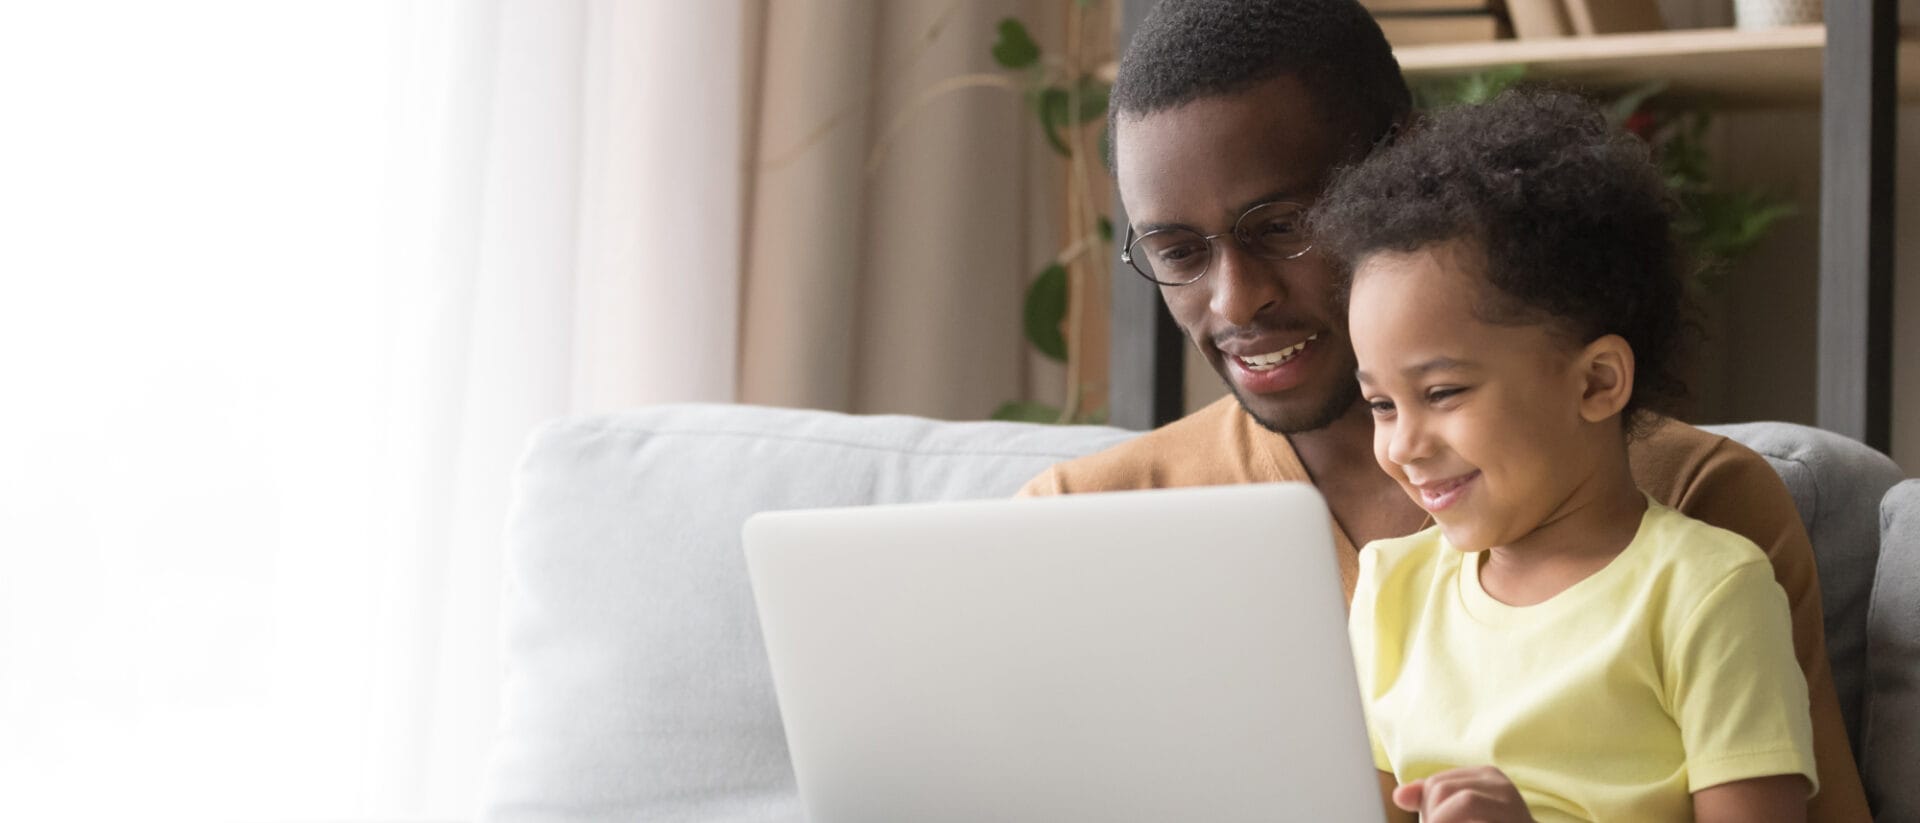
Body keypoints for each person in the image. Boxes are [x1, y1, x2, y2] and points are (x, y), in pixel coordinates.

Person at [1014, 0, 1870, 819]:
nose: (1235, 301)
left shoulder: (1702, 511)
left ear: (1393, 169)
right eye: (1179, 251)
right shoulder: (1076, 522)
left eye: (1280, 226)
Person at [1322, 88, 1815, 823]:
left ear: (1597, 381)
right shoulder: (1393, 591)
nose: (1402, 445)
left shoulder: (1705, 592)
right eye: (1382, 405)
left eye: (1444, 391)